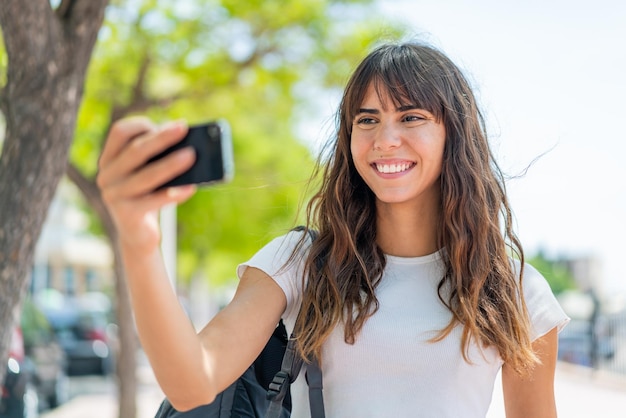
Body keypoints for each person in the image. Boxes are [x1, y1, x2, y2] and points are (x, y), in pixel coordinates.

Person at [97, 41, 570, 418]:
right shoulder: (299, 263)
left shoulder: (515, 289)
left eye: (411, 117)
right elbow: (190, 382)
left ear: (454, 135)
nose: (386, 139)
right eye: (367, 120)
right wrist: (139, 237)